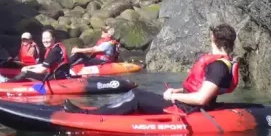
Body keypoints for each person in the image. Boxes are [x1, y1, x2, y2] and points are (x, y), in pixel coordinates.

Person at [63, 23, 238, 115]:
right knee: (139, 94)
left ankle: (87, 114)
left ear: (214, 39)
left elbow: (201, 99)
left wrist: (174, 95)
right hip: (184, 103)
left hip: (187, 109)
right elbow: (204, 89)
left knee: (137, 97)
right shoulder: (220, 64)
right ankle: (99, 111)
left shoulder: (218, 66)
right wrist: (178, 90)